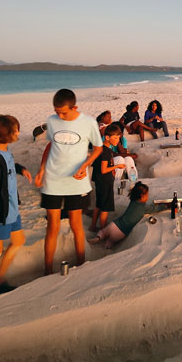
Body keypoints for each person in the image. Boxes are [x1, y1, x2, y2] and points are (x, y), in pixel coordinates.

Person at [35, 89, 103, 274]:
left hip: (76, 182)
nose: (59, 115)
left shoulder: (89, 123)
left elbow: (98, 148)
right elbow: (50, 146)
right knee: (52, 227)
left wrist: (86, 165)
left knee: (76, 225)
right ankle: (47, 270)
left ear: (75, 107)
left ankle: (81, 264)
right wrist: (42, 170)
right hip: (53, 181)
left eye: (63, 112)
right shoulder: (52, 121)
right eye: (57, 112)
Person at [0, 115, 32, 297]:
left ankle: (0, 279)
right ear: (5, 134)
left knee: (19, 241)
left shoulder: (5, 151)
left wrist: (20, 169)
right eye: (16, 130)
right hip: (0, 214)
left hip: (12, 209)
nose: (18, 132)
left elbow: (9, 166)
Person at [88, 181, 150, 249]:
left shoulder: (133, 200)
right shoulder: (144, 207)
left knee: (104, 232)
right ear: (142, 197)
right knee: (111, 241)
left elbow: (134, 191)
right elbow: (154, 209)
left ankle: (98, 238)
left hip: (114, 224)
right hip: (121, 232)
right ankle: (106, 246)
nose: (148, 196)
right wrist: (162, 206)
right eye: (147, 195)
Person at [89, 125, 126, 232]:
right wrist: (117, 166)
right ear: (107, 137)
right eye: (115, 138)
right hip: (105, 181)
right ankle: (103, 231)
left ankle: (92, 226)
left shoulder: (101, 148)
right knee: (105, 207)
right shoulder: (106, 151)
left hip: (99, 181)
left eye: (118, 138)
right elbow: (104, 169)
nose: (117, 140)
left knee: (99, 205)